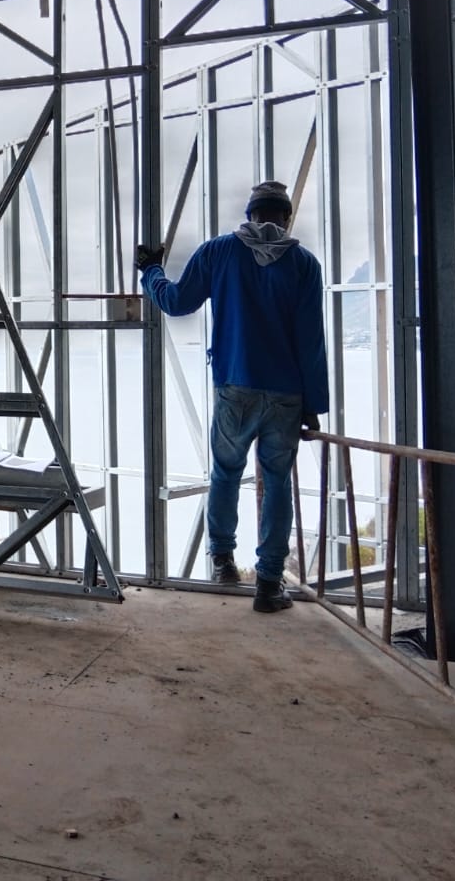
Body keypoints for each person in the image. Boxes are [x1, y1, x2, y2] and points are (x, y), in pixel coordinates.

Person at [134, 180, 329, 613]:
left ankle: (222, 561)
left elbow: (176, 302)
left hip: (235, 387)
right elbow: (311, 342)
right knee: (277, 483)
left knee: (225, 473)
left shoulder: (220, 252)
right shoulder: (304, 264)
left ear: (249, 215)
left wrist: (150, 270)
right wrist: (313, 405)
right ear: (286, 217)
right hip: (286, 393)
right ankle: (269, 584)